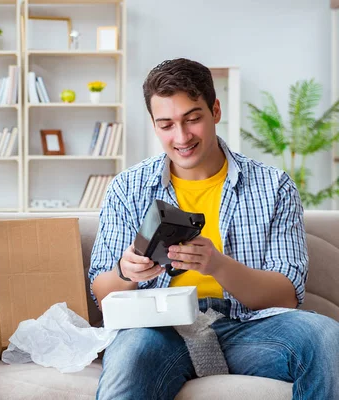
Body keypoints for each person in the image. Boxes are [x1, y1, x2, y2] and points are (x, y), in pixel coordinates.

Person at [89, 58, 339, 400]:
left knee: (327, 336)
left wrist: (216, 264)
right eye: (166, 125)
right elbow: (104, 297)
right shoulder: (128, 188)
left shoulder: (273, 186)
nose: (181, 137)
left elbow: (286, 295)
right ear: (154, 124)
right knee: (130, 354)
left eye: (193, 119)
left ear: (215, 110)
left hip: (249, 329)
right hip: (158, 331)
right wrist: (126, 271)